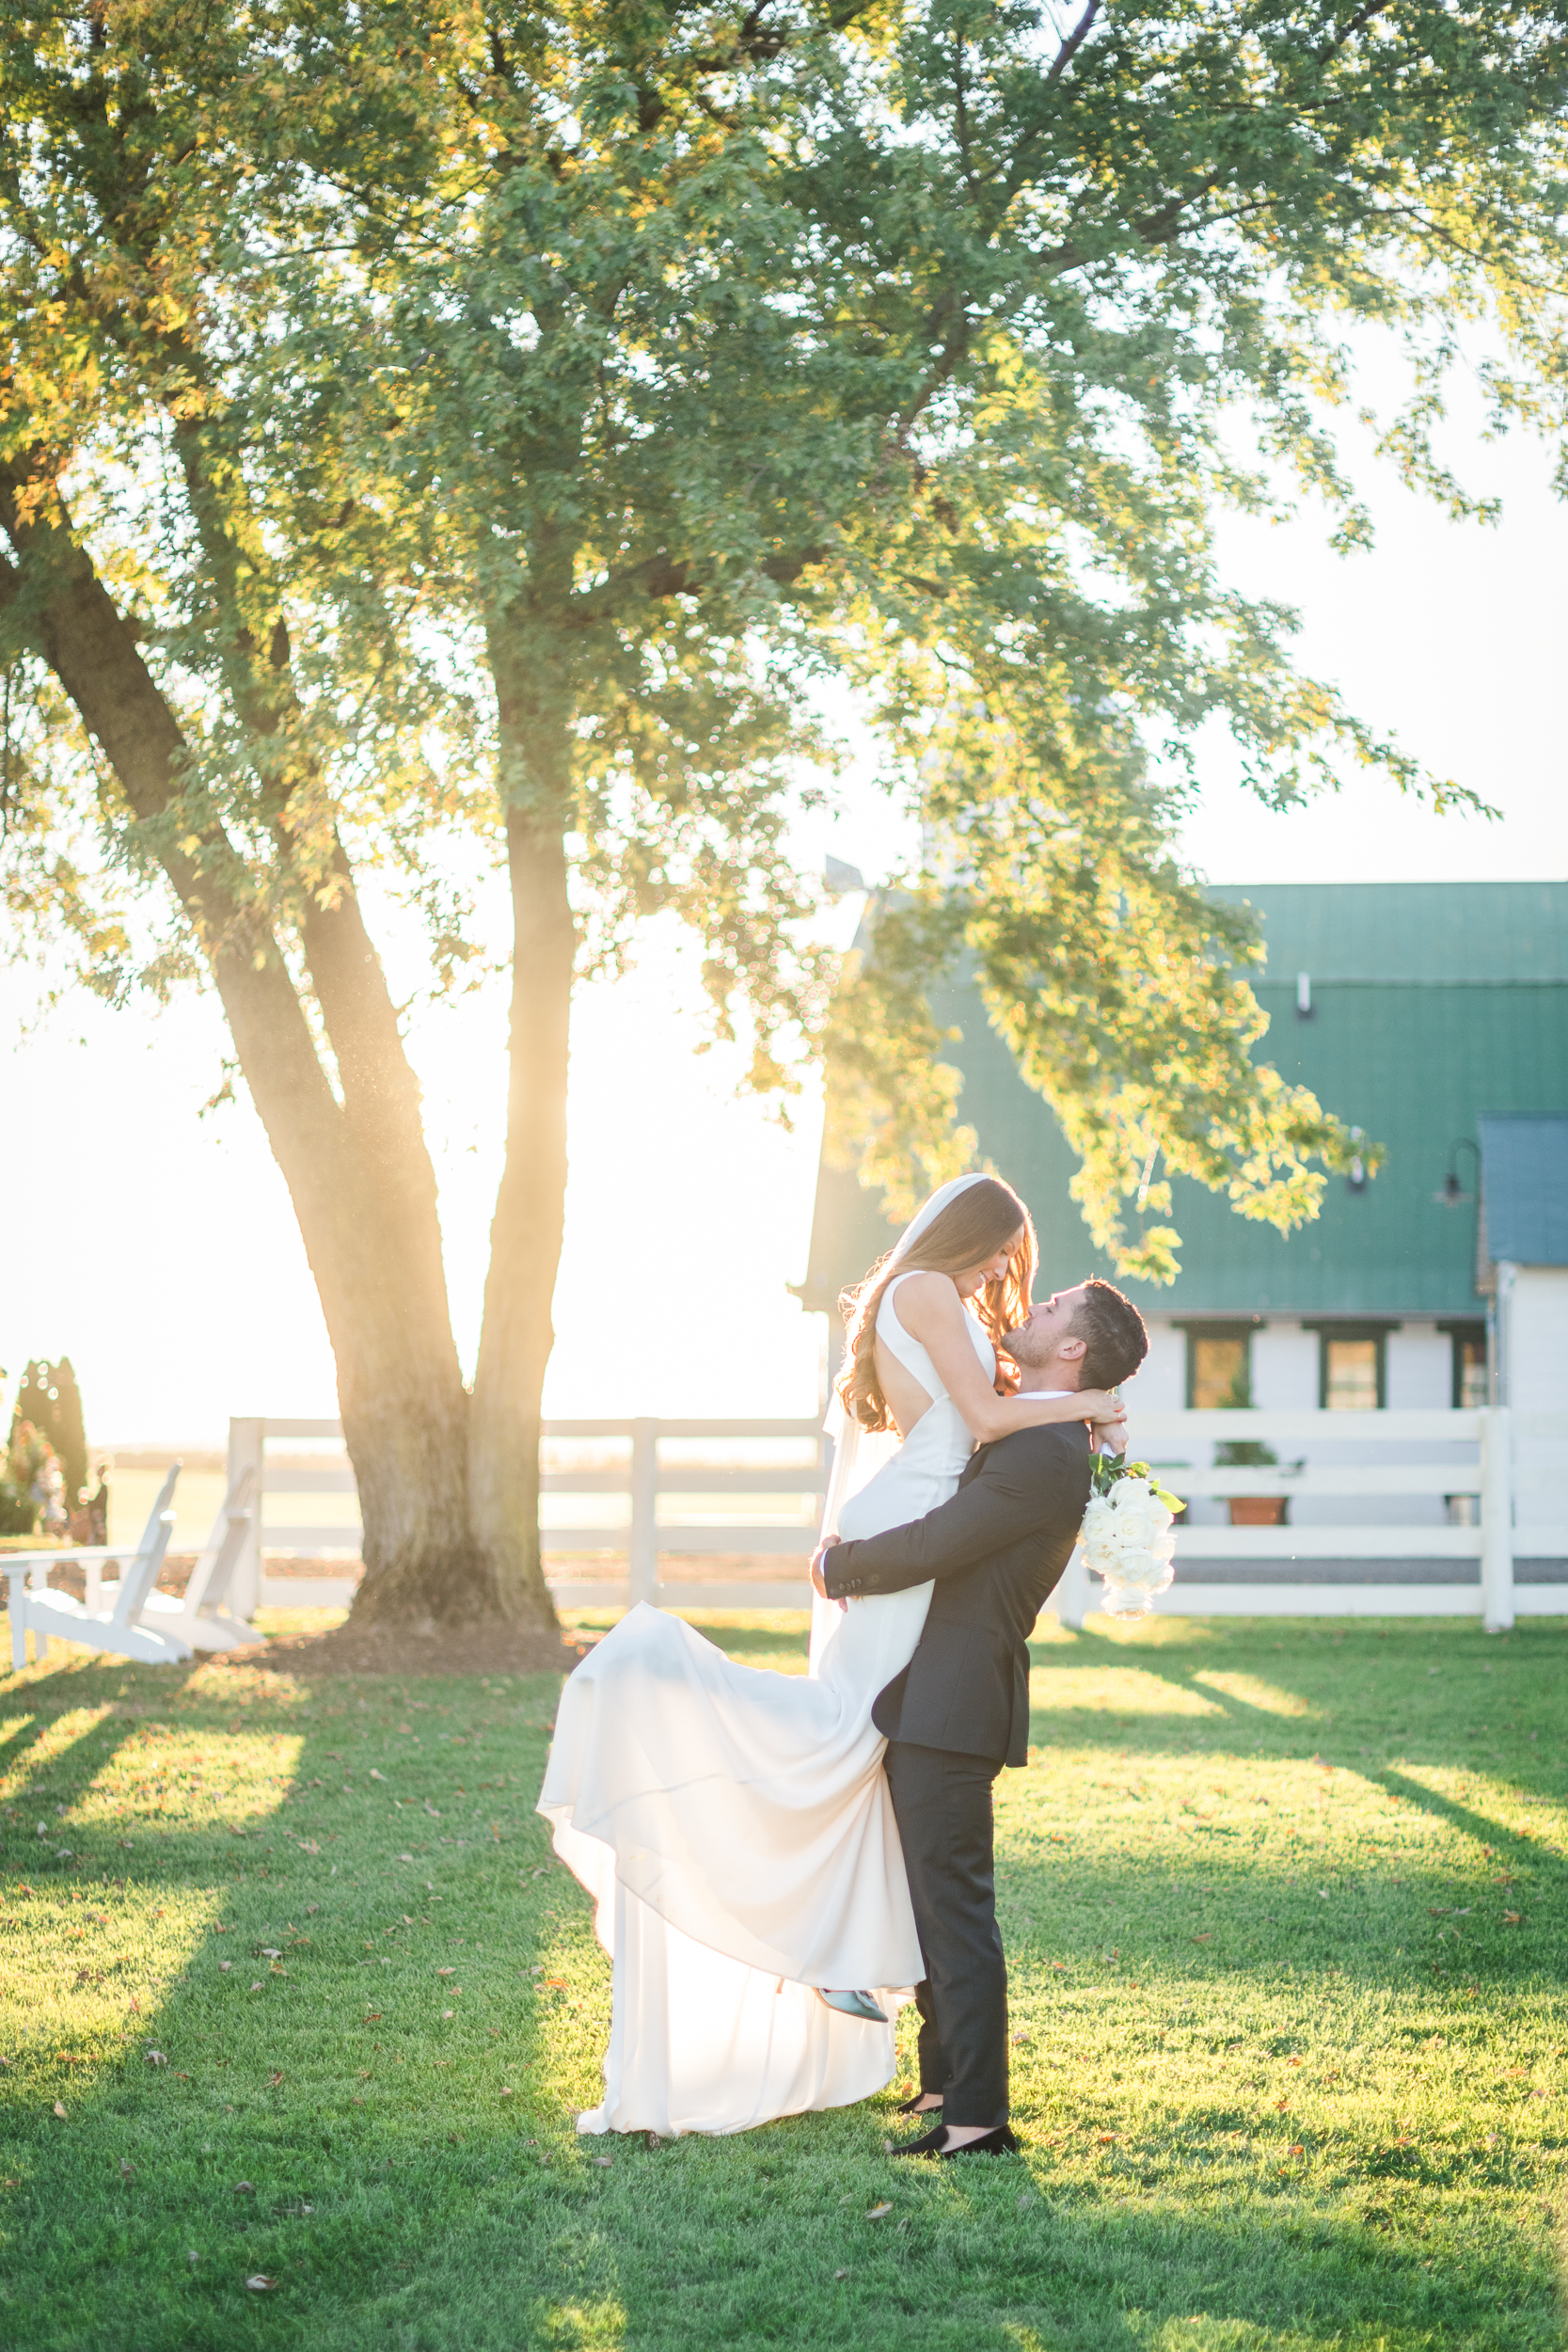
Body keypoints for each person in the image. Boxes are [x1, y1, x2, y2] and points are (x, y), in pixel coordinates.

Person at [537, 1174, 1127, 2137]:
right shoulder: (929, 1292)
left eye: (1021, 1279)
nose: (1004, 1281)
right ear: (966, 1236)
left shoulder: (944, 1305)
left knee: (849, 1740)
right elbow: (980, 1422)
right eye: (998, 1257)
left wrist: (1092, 1420)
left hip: (919, 1529)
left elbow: (994, 1413)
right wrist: (1090, 1402)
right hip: (911, 1527)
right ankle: (832, 1949)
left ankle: (852, 1964)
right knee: (840, 1736)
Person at [812, 1273, 1149, 2158]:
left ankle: (979, 2119)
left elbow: (939, 1544)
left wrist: (835, 1566)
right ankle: (941, 2086)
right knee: (929, 1898)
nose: (1028, 1311)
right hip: (931, 1689)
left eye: (1050, 1310)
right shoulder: (1040, 1430)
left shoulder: (1045, 1454)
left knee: (955, 1906)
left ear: (1073, 1349)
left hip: (955, 1699)